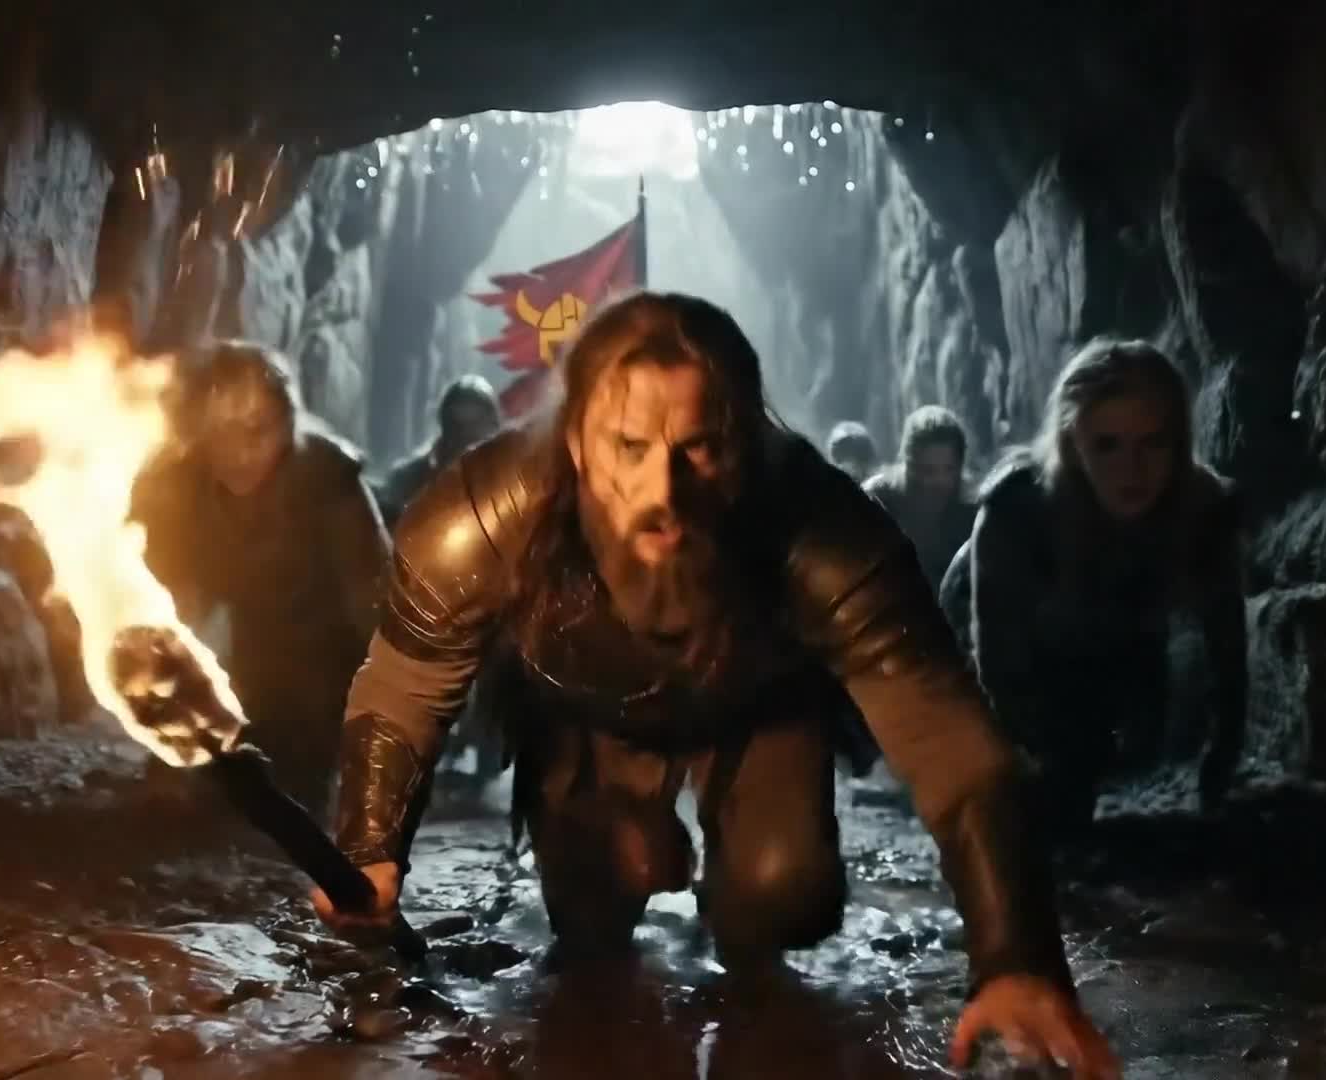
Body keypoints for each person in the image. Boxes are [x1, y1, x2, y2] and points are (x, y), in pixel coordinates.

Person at [312, 292, 1119, 1078]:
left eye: (697, 448)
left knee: (780, 902)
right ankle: (631, 839)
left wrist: (1018, 960)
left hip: (757, 711)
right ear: (578, 445)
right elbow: (403, 688)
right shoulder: (480, 521)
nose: (663, 494)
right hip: (585, 715)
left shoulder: (823, 530)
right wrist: (369, 852)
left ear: (743, 447)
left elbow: (949, 742)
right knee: (591, 918)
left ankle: (733, 875)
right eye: (629, 447)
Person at [970, 338, 1245, 837]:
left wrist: (1223, 751)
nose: (1131, 470)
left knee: (1129, 742)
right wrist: (1031, 756)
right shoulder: (1019, 509)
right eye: (1107, 445)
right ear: (1073, 444)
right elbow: (996, 657)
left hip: (1107, 634)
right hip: (998, 643)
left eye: (1153, 443)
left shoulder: (1202, 507)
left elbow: (1226, 643)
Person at [129, 341, 390, 814]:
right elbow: (167, 602)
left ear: (287, 425)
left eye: (258, 431)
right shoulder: (180, 485)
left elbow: (374, 604)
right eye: (223, 433)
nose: (241, 452)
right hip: (242, 650)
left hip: (320, 660)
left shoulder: (328, 481)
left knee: (291, 789)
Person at [864, 405, 977, 589]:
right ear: (909, 465)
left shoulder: (972, 509)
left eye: (949, 469)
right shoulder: (876, 502)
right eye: (928, 470)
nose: (939, 481)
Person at [375, 374, 503, 529]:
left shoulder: (506, 481)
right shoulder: (410, 478)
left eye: (476, 424)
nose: (466, 440)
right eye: (458, 426)